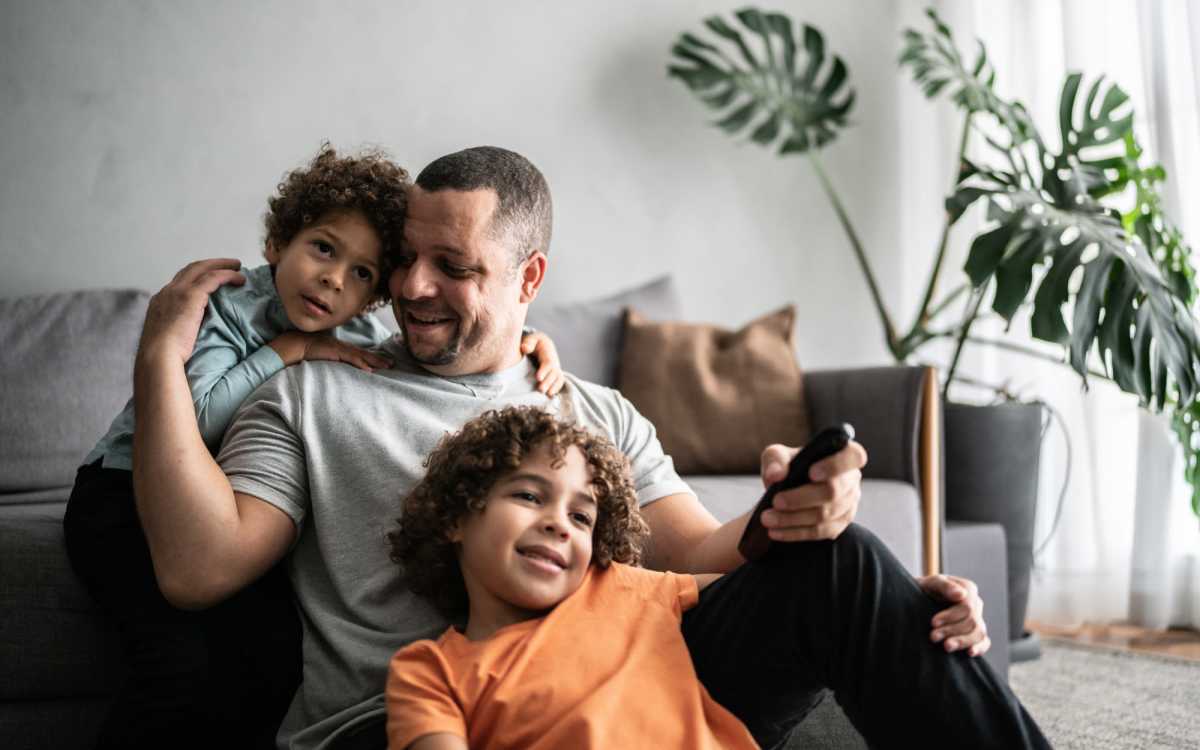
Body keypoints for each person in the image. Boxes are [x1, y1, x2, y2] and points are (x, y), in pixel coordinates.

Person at [131, 146, 1049, 749]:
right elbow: (195, 569)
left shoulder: (591, 408)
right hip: (410, 718)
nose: (410, 285)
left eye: (453, 267)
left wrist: (796, 520)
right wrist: (159, 357)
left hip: (605, 692)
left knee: (841, 561)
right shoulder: (316, 389)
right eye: (405, 257)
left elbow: (693, 555)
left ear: (528, 277)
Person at [62, 145, 563, 749]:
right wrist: (284, 352)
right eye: (324, 249)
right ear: (278, 241)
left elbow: (457, 337)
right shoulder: (231, 307)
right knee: (182, 670)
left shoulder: (349, 327)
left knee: (274, 655)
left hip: (216, 492)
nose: (334, 279)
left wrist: (528, 337)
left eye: (363, 274)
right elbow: (193, 415)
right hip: (120, 491)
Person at [385, 405, 758, 749]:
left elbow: (762, 590)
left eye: (581, 518)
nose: (559, 525)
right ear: (455, 518)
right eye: (529, 496)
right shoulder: (430, 673)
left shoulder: (622, 584)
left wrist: (785, 504)